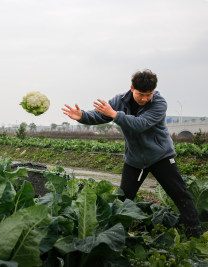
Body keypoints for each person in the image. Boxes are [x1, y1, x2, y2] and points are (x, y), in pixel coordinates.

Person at [62, 69, 203, 238]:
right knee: (123, 198)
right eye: (140, 94)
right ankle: (114, 235)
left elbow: (140, 124)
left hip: (161, 157)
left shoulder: (159, 103)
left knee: (180, 194)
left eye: (148, 94)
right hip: (135, 159)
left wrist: (114, 114)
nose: (144, 99)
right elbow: (100, 115)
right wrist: (82, 116)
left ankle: (195, 234)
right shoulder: (119, 101)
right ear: (132, 88)